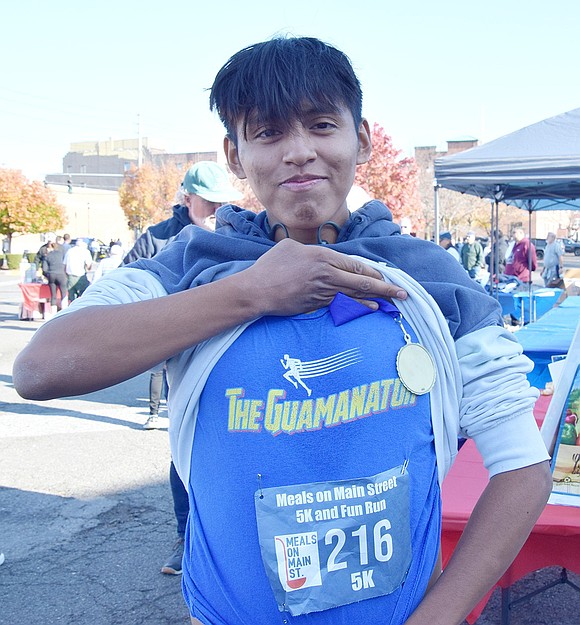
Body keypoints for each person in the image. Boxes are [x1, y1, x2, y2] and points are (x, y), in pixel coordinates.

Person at [13, 36, 551, 625]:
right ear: (236, 155)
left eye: (322, 125)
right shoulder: (191, 265)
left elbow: (522, 468)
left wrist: (438, 617)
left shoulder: (430, 278)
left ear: (361, 138)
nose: (299, 151)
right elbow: (40, 369)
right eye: (268, 133)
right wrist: (251, 293)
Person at [123, 161, 242, 576]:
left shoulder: (240, 234)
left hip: (233, 359)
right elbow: (127, 292)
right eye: (207, 202)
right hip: (183, 357)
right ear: (186, 196)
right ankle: (186, 533)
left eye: (220, 202)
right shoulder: (158, 239)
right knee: (186, 448)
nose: (214, 210)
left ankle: (232, 536)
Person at [42, 241, 68, 316]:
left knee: (53, 295)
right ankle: (64, 312)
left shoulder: (47, 256)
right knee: (63, 293)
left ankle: (53, 313)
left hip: (51, 274)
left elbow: (44, 269)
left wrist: (47, 275)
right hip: (61, 274)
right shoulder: (61, 254)